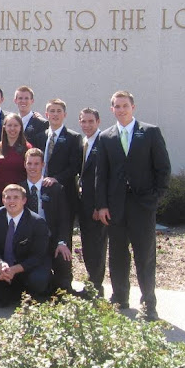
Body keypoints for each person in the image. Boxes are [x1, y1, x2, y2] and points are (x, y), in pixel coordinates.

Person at [96, 91, 171, 321]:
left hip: (142, 206)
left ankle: (149, 303)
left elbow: (163, 168)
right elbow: (102, 174)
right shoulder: (106, 137)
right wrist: (102, 205)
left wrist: (155, 198)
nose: (121, 110)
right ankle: (120, 297)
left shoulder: (149, 132)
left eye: (125, 105)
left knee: (145, 256)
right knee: (117, 255)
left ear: (133, 107)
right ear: (112, 110)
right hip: (115, 208)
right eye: (117, 106)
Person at [0, 184, 51, 307]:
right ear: (3, 200)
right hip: (3, 266)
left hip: (25, 266)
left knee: (38, 279)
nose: (11, 201)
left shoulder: (37, 222)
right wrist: (0, 263)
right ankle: (3, 292)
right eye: (8, 197)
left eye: (16, 197)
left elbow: (38, 256)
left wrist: (14, 269)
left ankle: (29, 294)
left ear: (24, 200)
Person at [20, 148, 72, 293]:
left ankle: (64, 288)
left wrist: (62, 242)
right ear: (24, 164)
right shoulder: (19, 190)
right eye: (29, 163)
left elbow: (64, 219)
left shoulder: (55, 189)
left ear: (43, 165)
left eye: (36, 164)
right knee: (37, 283)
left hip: (51, 240)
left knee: (64, 255)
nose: (32, 167)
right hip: (28, 242)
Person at [34, 98, 82, 237]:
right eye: (52, 111)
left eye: (59, 111)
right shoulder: (39, 137)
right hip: (41, 192)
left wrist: (55, 179)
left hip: (64, 193)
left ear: (65, 115)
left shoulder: (74, 137)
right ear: (47, 114)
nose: (55, 114)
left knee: (63, 234)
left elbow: (74, 167)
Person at [77, 107, 108, 297]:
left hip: (97, 205)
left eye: (91, 121)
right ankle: (91, 283)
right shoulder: (84, 142)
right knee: (87, 244)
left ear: (98, 122)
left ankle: (97, 287)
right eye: (83, 121)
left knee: (97, 246)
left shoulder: (103, 142)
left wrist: (100, 205)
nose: (87, 125)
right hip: (83, 203)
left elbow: (104, 176)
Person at [0, 113, 32, 209]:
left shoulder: (27, 148)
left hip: (18, 198)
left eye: (16, 125)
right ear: (4, 127)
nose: (12, 128)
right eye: (9, 125)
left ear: (21, 127)